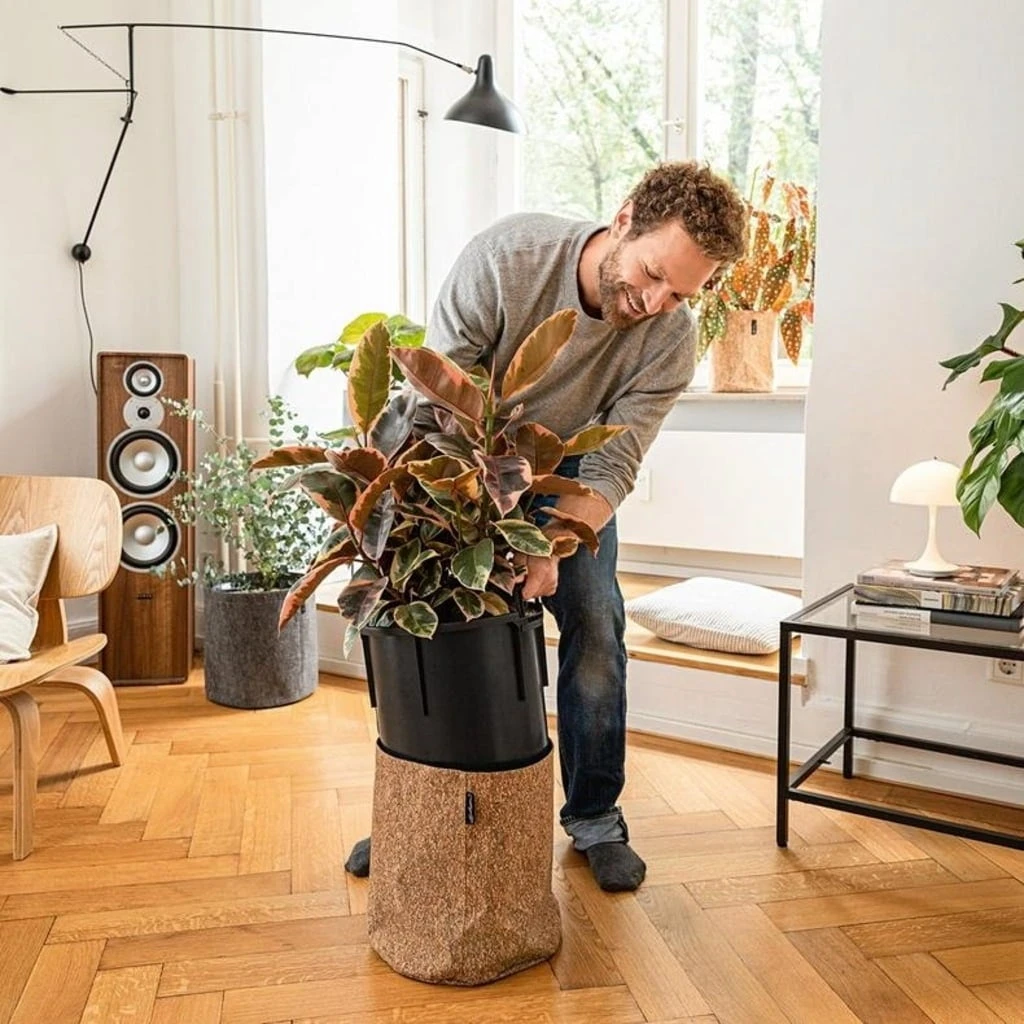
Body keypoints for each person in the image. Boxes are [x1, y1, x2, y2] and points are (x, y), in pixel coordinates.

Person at [346, 161, 746, 892]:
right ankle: (415, 810)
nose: (656, 303)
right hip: (455, 462)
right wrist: (469, 522)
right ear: (623, 221)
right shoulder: (509, 260)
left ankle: (595, 819)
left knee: (596, 622)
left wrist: (550, 545)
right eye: (653, 274)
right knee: (423, 637)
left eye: (681, 294)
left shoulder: (670, 339)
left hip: (564, 480)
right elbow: (436, 400)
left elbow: (615, 462)